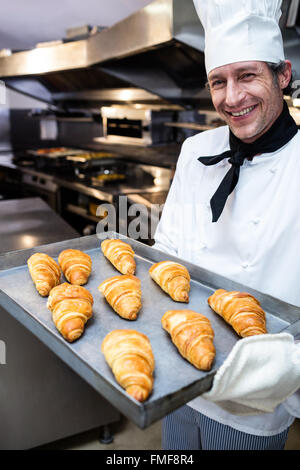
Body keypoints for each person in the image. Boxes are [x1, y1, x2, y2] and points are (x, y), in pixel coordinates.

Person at [153, 0, 300, 450]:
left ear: (284, 75)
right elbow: (165, 255)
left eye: (248, 75)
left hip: (252, 408)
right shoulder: (196, 150)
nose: (232, 98)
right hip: (178, 380)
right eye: (219, 81)